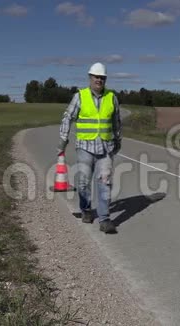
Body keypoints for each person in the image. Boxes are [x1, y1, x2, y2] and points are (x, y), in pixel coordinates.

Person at [57, 62, 122, 234]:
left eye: (102, 77)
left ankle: (105, 219)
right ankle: (85, 209)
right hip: (85, 147)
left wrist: (118, 140)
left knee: (105, 182)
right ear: (90, 78)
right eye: (96, 77)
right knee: (83, 182)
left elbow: (116, 122)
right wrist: (63, 139)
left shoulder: (112, 97)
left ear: (105, 79)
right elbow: (67, 117)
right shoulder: (80, 96)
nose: (99, 80)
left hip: (106, 147)